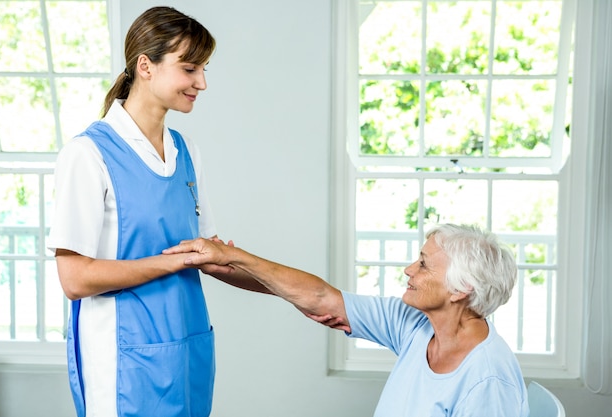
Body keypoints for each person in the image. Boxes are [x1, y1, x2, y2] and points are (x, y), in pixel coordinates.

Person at [47, 6, 268, 417]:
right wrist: (171, 262)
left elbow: (204, 253)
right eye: (190, 69)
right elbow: (74, 278)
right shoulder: (88, 154)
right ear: (145, 66)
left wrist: (293, 291)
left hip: (187, 346)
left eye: (203, 69)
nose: (201, 82)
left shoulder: (186, 152)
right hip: (123, 358)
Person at [163, 223, 530, 416]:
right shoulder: (415, 325)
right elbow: (320, 298)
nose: (408, 270)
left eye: (422, 263)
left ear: (460, 289)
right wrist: (230, 260)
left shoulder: (488, 381)